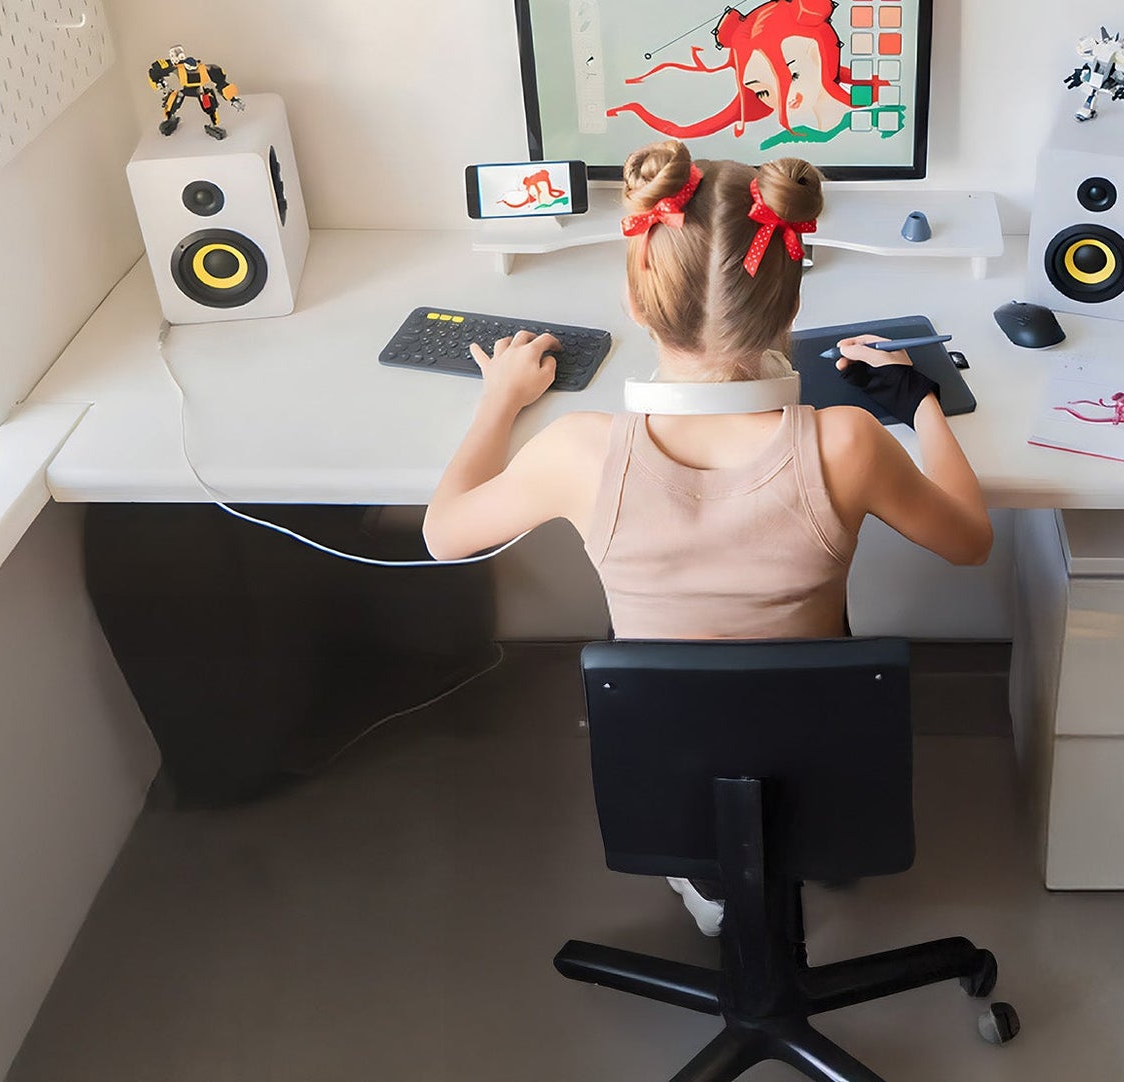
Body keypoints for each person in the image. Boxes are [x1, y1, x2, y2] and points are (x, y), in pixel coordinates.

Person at [422, 139, 994, 930]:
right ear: (791, 305)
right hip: (824, 762)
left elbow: (443, 534)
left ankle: (708, 883)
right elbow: (971, 540)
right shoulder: (847, 441)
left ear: (636, 301)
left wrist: (500, 400)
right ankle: (798, 848)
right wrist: (920, 398)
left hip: (664, 776)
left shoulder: (580, 451)